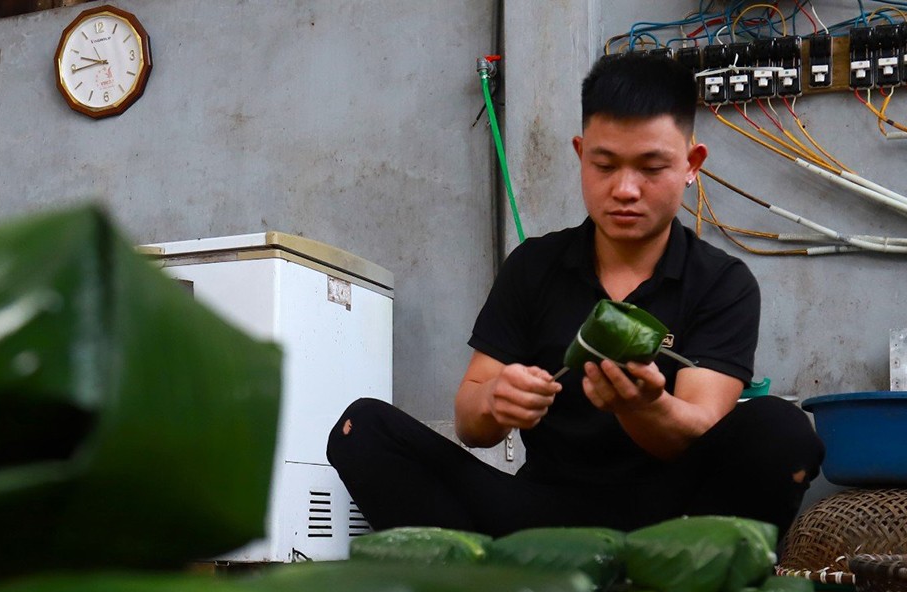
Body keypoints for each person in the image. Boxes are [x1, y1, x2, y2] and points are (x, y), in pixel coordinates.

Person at [327, 51, 823, 539]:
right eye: (605, 165)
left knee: (782, 430)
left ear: (692, 164)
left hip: (672, 520)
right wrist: (497, 403)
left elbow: (694, 430)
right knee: (362, 429)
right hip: (542, 514)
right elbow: (470, 424)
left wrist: (642, 405)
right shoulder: (534, 267)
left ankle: (684, 587)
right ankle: (484, 590)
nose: (626, 189)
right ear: (581, 154)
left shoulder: (722, 282)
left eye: (651, 168)